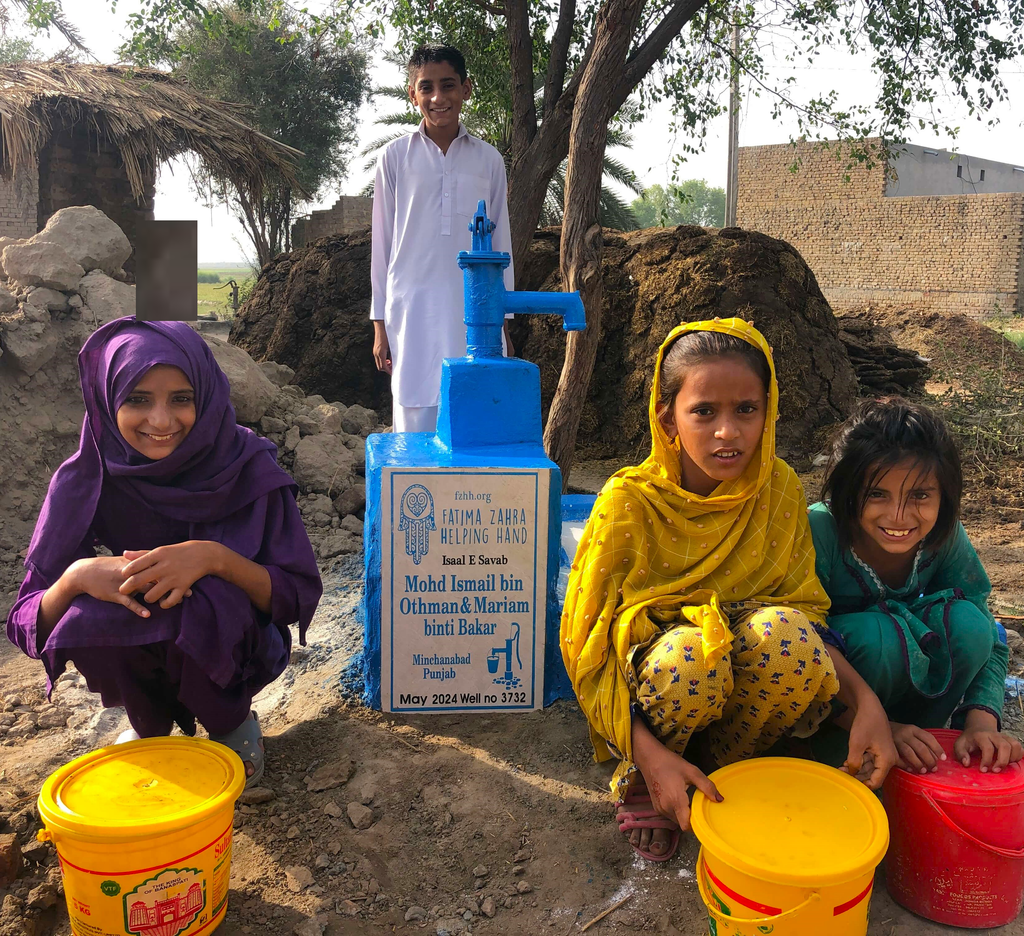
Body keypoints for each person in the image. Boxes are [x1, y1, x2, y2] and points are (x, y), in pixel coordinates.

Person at [561, 318, 895, 863]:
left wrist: (867, 703)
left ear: (769, 411)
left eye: (746, 409)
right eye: (704, 411)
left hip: (746, 682)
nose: (728, 431)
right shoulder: (629, 503)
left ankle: (732, 769)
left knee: (787, 637)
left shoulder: (778, 488)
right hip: (666, 682)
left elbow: (806, 611)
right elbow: (587, 647)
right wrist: (649, 755)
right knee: (691, 656)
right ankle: (655, 773)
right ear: (667, 418)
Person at [6, 317, 322, 786]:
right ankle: (148, 726)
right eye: (136, 399)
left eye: (181, 399)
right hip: (145, 641)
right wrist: (75, 577)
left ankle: (231, 724)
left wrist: (216, 559)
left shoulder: (247, 466)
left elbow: (297, 593)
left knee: (209, 600)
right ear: (107, 399)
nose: (160, 421)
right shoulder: (87, 477)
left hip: (241, 647)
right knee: (88, 611)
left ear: (207, 397)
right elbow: (26, 620)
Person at [809, 397, 1022, 775]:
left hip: (911, 718)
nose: (898, 517)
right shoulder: (821, 532)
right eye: (876, 494)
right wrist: (874, 720)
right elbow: (798, 647)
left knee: (970, 624)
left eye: (920, 496)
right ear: (847, 490)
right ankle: (845, 751)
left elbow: (989, 637)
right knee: (876, 638)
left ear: (945, 496)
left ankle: (929, 739)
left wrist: (981, 722)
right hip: (836, 711)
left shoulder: (943, 536)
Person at [370, 43, 514, 434]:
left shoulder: (488, 160)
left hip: (474, 313)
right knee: (413, 411)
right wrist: (379, 324)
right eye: (427, 87)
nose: (438, 98)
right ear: (412, 95)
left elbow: (502, 244)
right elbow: (382, 245)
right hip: (410, 310)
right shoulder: (394, 158)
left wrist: (502, 321)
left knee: (474, 415)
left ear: (466, 89)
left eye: (448, 85)